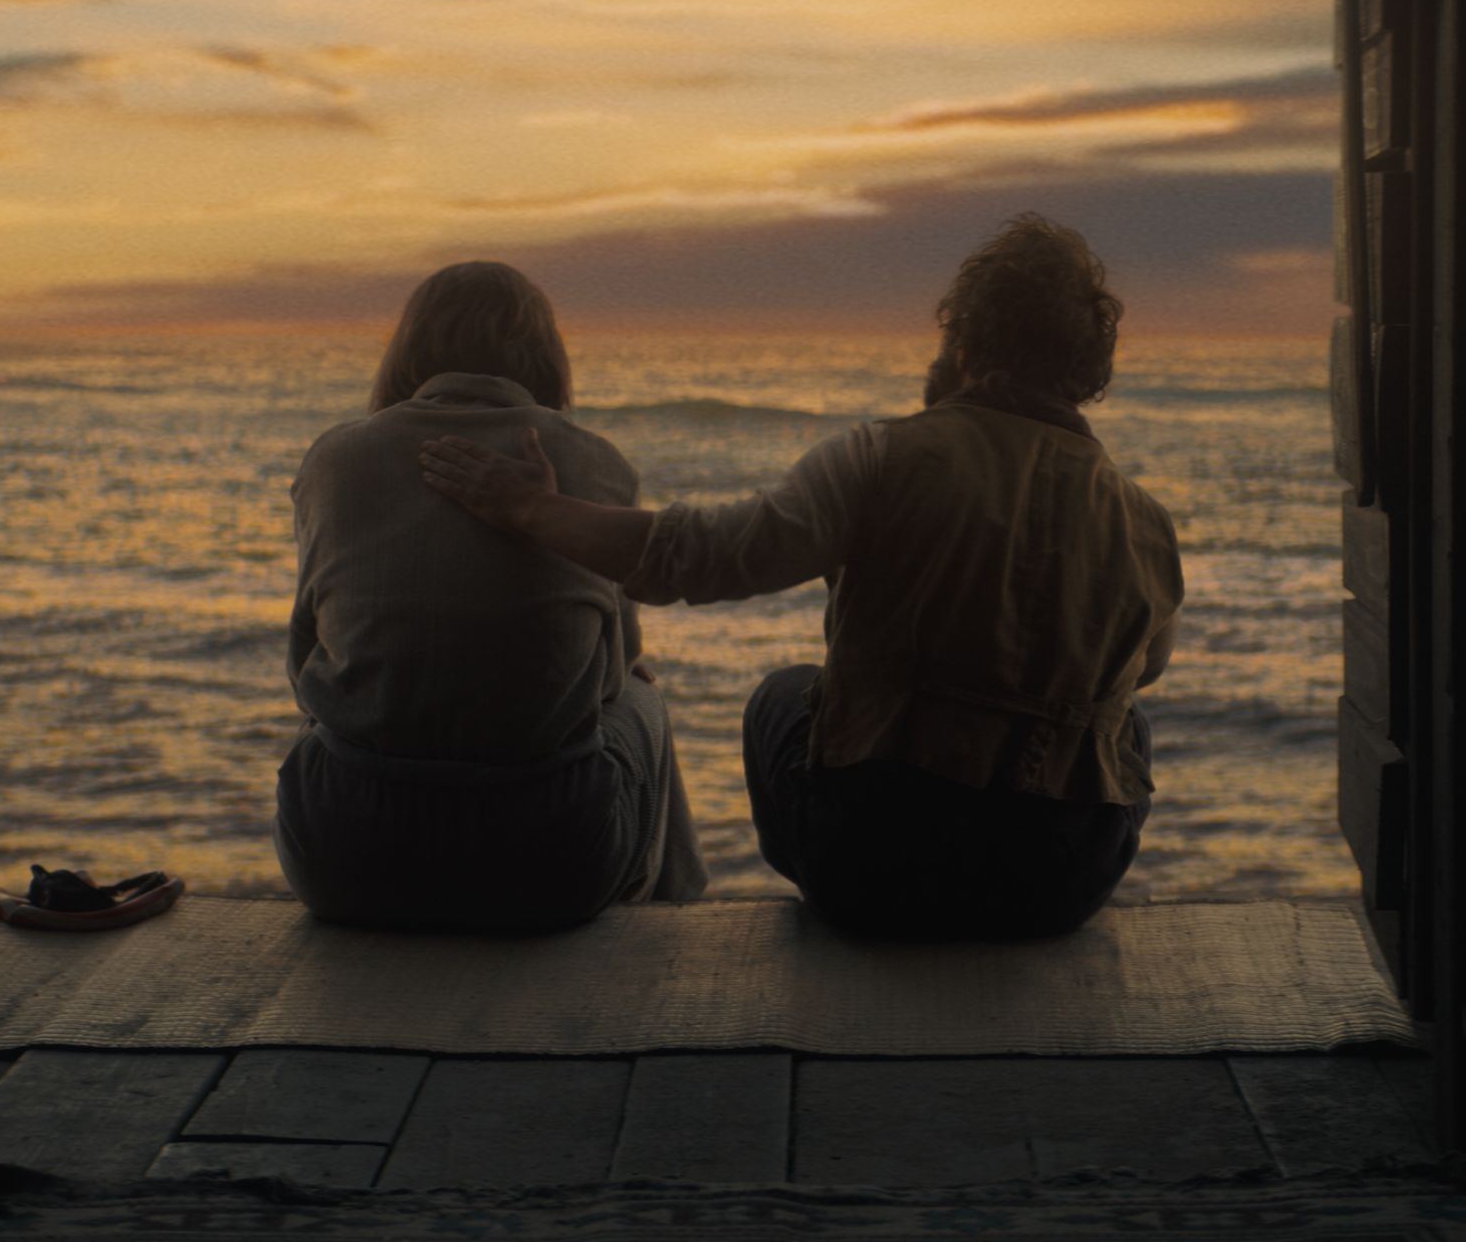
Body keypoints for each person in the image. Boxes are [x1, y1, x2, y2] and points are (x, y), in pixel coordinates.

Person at [419, 215, 1179, 939]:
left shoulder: (880, 458)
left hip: (875, 874)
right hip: (1058, 888)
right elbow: (1143, 670)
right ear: (1085, 373)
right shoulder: (1147, 524)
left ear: (966, 342)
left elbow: (702, 556)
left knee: (783, 694)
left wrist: (532, 508)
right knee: (1123, 725)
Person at [280, 260, 707, 931]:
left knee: (328, 711)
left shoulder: (335, 459)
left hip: (342, 864)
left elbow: (303, 662)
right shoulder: (594, 460)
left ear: (408, 349)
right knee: (642, 694)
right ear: (543, 353)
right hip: (549, 869)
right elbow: (610, 674)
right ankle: (674, 918)